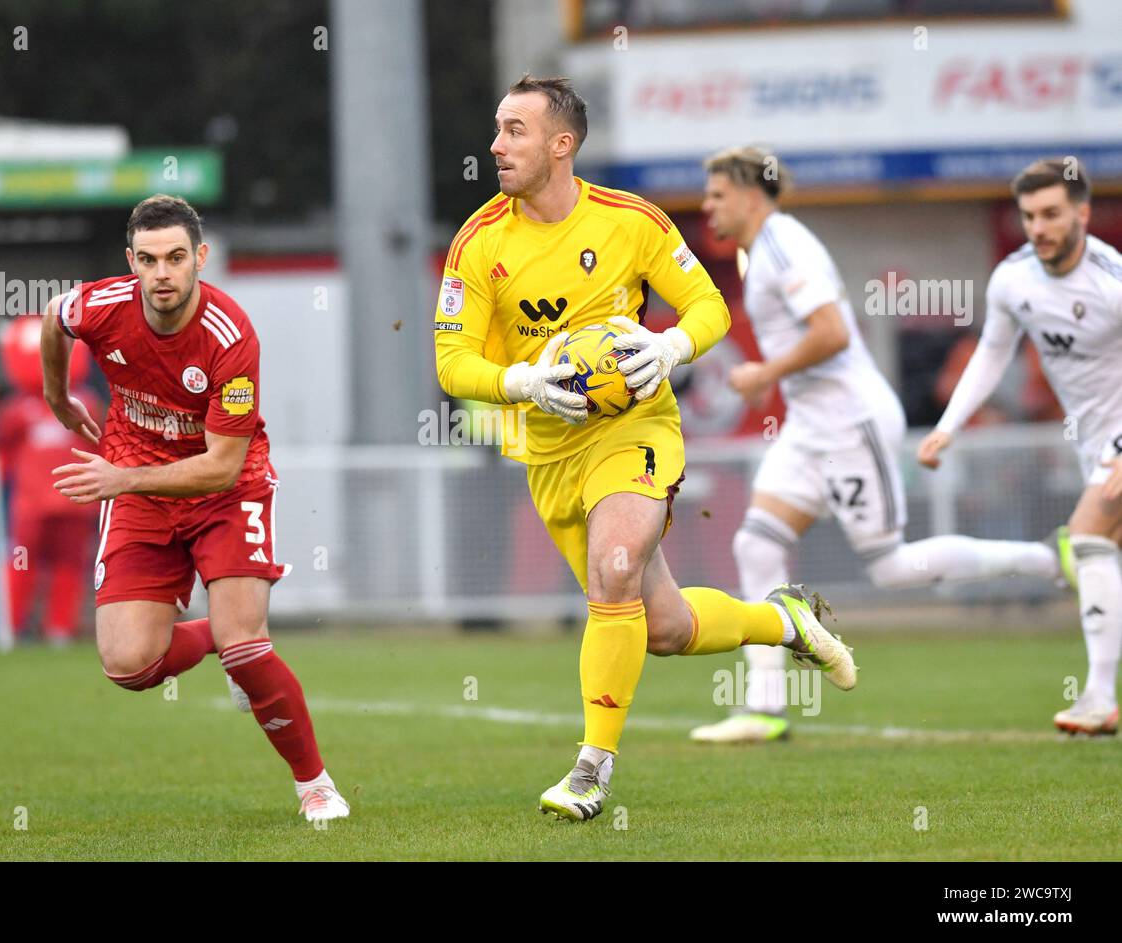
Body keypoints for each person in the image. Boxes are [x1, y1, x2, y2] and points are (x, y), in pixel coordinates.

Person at [433, 76, 856, 822]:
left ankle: (590, 769)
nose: (495, 146)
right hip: (549, 453)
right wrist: (524, 380)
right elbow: (451, 362)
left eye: (514, 131)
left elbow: (708, 305)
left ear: (562, 145)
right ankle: (784, 621)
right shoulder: (478, 242)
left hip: (636, 428)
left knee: (615, 566)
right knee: (659, 626)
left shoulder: (631, 220)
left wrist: (668, 346)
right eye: (497, 130)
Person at [690, 147, 1065, 743]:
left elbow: (833, 333)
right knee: (755, 544)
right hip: (812, 426)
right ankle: (764, 706)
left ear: (747, 192)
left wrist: (764, 374)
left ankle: (1049, 558)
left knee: (890, 567)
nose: (706, 206)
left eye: (715, 194)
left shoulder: (785, 242)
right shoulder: (760, 251)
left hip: (849, 422)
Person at [39, 194, 350, 820]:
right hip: (138, 487)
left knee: (249, 649)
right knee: (128, 665)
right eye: (149, 259)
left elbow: (221, 464)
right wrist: (57, 394)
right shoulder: (101, 307)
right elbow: (53, 316)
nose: (162, 273)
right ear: (131, 261)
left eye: (176, 257)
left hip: (225, 492)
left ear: (199, 258)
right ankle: (220, 639)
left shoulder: (230, 339)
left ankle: (315, 784)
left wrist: (123, 480)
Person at [919, 158, 1122, 736]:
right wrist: (950, 425)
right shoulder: (1013, 279)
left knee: (1086, 539)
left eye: (1052, 213)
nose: (1039, 226)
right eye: (1030, 215)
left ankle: (1099, 700)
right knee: (1100, 555)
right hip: (1092, 447)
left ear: (1082, 212)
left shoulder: (1111, 281)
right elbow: (991, 352)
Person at [0, 316, 101, 644]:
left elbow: (106, 449)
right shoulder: (16, 411)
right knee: (21, 564)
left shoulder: (86, 404)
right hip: (31, 506)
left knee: (70, 566)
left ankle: (59, 629)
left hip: (75, 504)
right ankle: (12, 627)